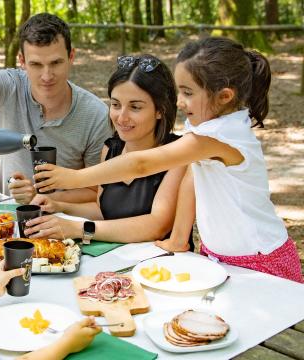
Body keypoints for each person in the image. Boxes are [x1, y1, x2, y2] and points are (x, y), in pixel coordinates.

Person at [32, 37, 303, 283]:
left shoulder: (221, 134)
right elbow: (191, 182)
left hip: (258, 259)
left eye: (187, 92)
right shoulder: (207, 131)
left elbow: (141, 164)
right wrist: (177, 240)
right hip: (219, 255)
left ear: (224, 96)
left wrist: (74, 177)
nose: (180, 101)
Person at [0, 13, 111, 203]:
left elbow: (97, 191)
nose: (47, 75)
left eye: (56, 63)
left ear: (71, 56)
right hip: (6, 219)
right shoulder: (8, 85)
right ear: (22, 61)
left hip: (67, 222)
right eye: (36, 64)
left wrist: (40, 197)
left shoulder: (96, 115)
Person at [23, 55, 191, 248]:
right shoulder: (111, 149)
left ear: (160, 110)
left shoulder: (179, 155)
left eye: (135, 107)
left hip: (160, 269)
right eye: (116, 104)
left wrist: (79, 229)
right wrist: (59, 206)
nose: (121, 117)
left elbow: (156, 226)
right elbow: (104, 210)